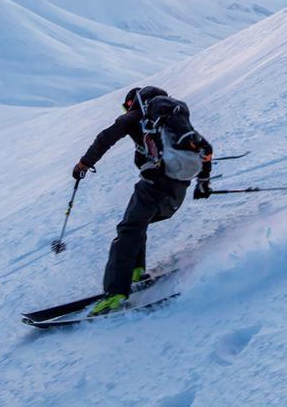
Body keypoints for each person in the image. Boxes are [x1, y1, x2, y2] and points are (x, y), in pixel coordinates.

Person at [72, 85, 213, 316]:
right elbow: (205, 149)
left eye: (128, 106)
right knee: (138, 224)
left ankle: (115, 293)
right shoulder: (174, 120)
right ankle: (136, 270)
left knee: (128, 229)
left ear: (134, 102)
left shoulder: (137, 117)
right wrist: (204, 182)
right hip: (177, 190)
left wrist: (83, 164)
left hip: (153, 185)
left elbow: (105, 138)